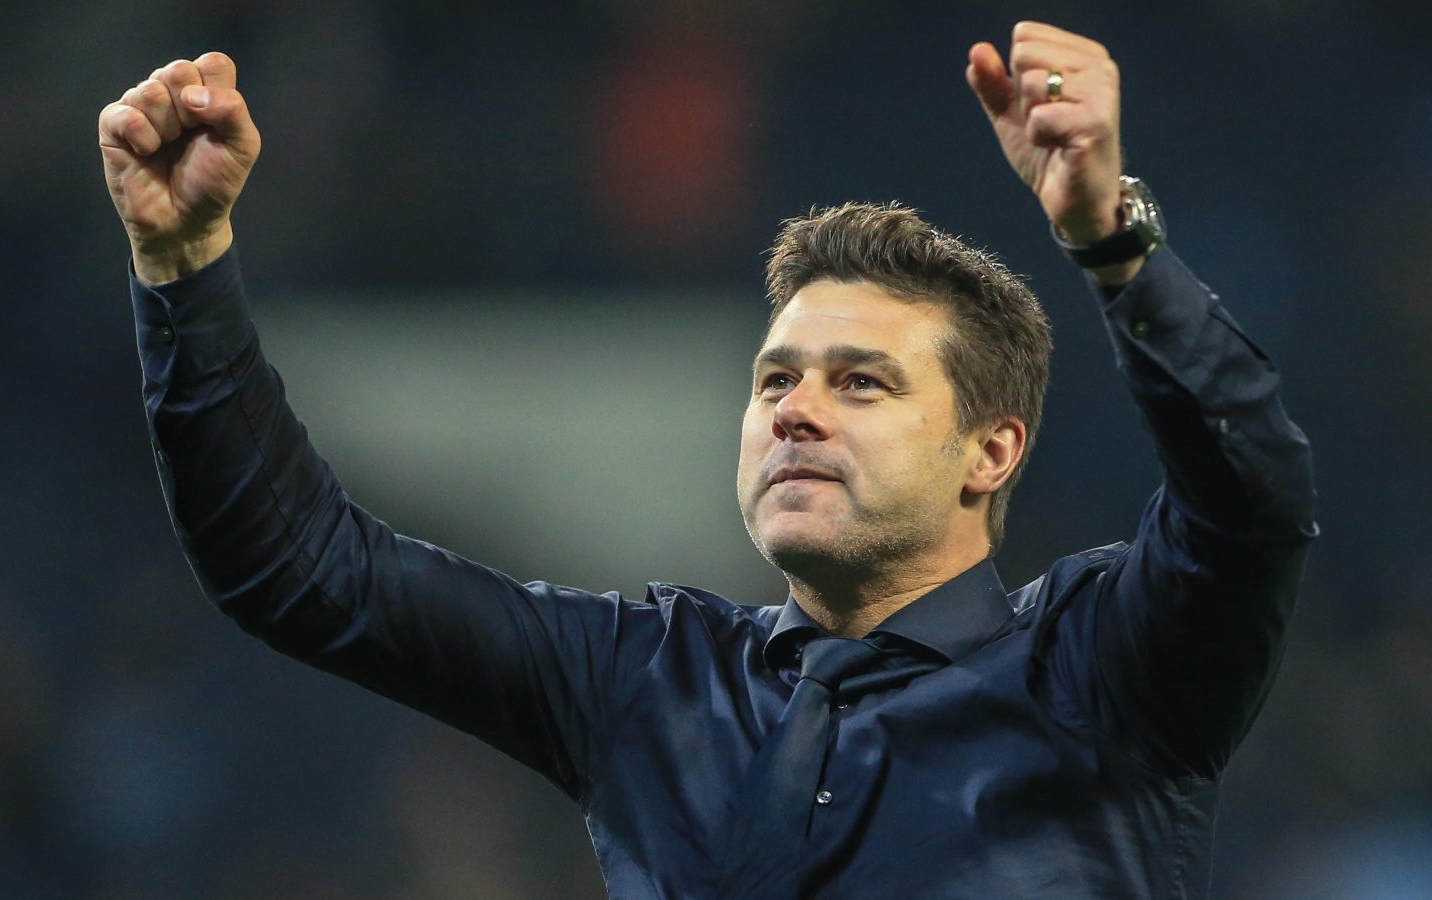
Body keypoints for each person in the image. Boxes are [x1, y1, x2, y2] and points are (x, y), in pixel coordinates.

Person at [98, 20, 1316, 900]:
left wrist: (1113, 241)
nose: (794, 411)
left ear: (989, 452)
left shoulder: (1101, 672)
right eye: (774, 379)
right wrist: (184, 261)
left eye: (862, 382)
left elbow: (1249, 501)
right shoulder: (648, 683)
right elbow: (299, 571)